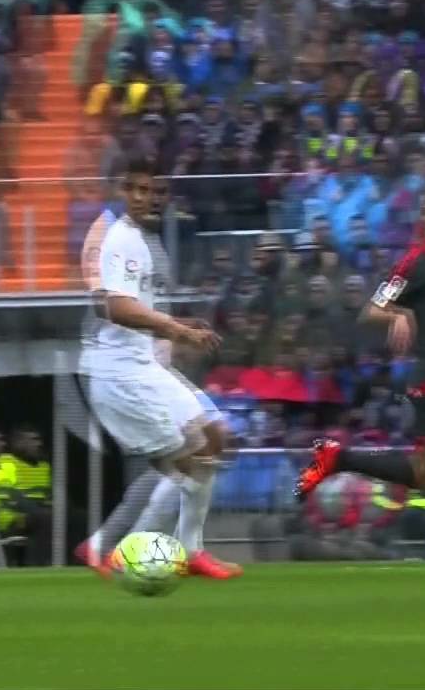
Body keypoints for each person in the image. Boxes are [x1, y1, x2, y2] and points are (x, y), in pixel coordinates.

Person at [75, 157, 242, 580]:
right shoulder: (121, 240)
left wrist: (177, 324)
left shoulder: (144, 240)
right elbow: (115, 307)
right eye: (139, 190)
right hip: (119, 374)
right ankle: (127, 551)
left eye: (157, 192)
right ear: (123, 192)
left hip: (143, 366)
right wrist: (176, 330)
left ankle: (189, 552)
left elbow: (137, 306)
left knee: (214, 437)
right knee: (190, 457)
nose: (149, 198)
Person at [296, 220, 425, 500]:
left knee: (424, 474)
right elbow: (373, 308)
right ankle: (337, 458)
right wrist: (398, 314)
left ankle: (337, 458)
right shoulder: (415, 262)